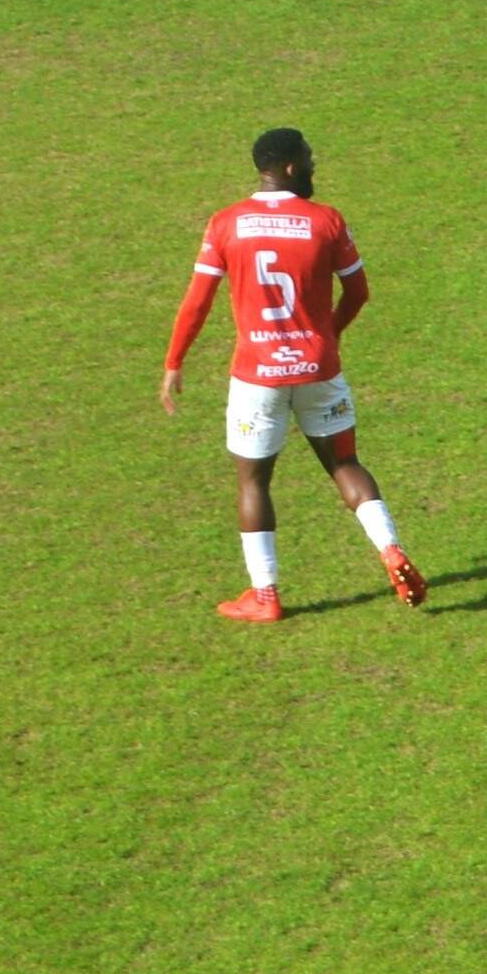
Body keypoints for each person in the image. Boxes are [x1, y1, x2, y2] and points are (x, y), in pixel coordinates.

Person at [159, 127, 429, 621]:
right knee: (345, 465)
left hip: (256, 377)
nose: (313, 164)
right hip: (319, 367)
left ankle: (265, 597)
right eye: (307, 158)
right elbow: (358, 292)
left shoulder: (226, 224)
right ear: (288, 167)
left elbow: (197, 302)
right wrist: (329, 335)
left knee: (254, 481)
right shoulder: (326, 221)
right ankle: (390, 549)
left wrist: (174, 362)